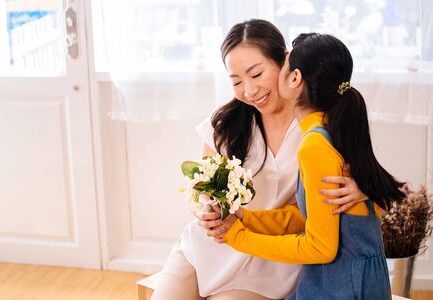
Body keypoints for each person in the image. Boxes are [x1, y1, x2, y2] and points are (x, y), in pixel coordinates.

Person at [151, 20, 367, 300]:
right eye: (237, 82)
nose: (249, 91)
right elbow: (200, 191)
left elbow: (369, 185)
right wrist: (206, 213)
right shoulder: (225, 124)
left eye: (256, 74)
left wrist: (363, 190)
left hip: (274, 260)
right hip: (213, 245)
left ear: (286, 61)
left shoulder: (318, 129)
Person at [212, 33, 406, 299]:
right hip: (345, 280)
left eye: (285, 64)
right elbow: (310, 216)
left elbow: (321, 248)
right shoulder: (330, 129)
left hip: (344, 286)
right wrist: (247, 219)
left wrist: (239, 238)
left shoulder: (314, 145)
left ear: (295, 78)